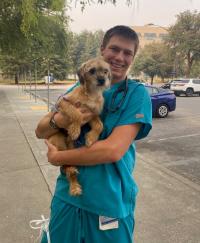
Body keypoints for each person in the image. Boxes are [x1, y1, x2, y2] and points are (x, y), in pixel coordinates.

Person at [35, 25, 152, 243]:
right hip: (68, 196)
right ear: (102, 50)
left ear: (133, 58)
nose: (119, 57)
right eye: (114, 49)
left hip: (109, 202)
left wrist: (58, 157)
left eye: (128, 53)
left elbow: (112, 151)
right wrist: (61, 119)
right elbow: (40, 130)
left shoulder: (137, 94)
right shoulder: (76, 89)